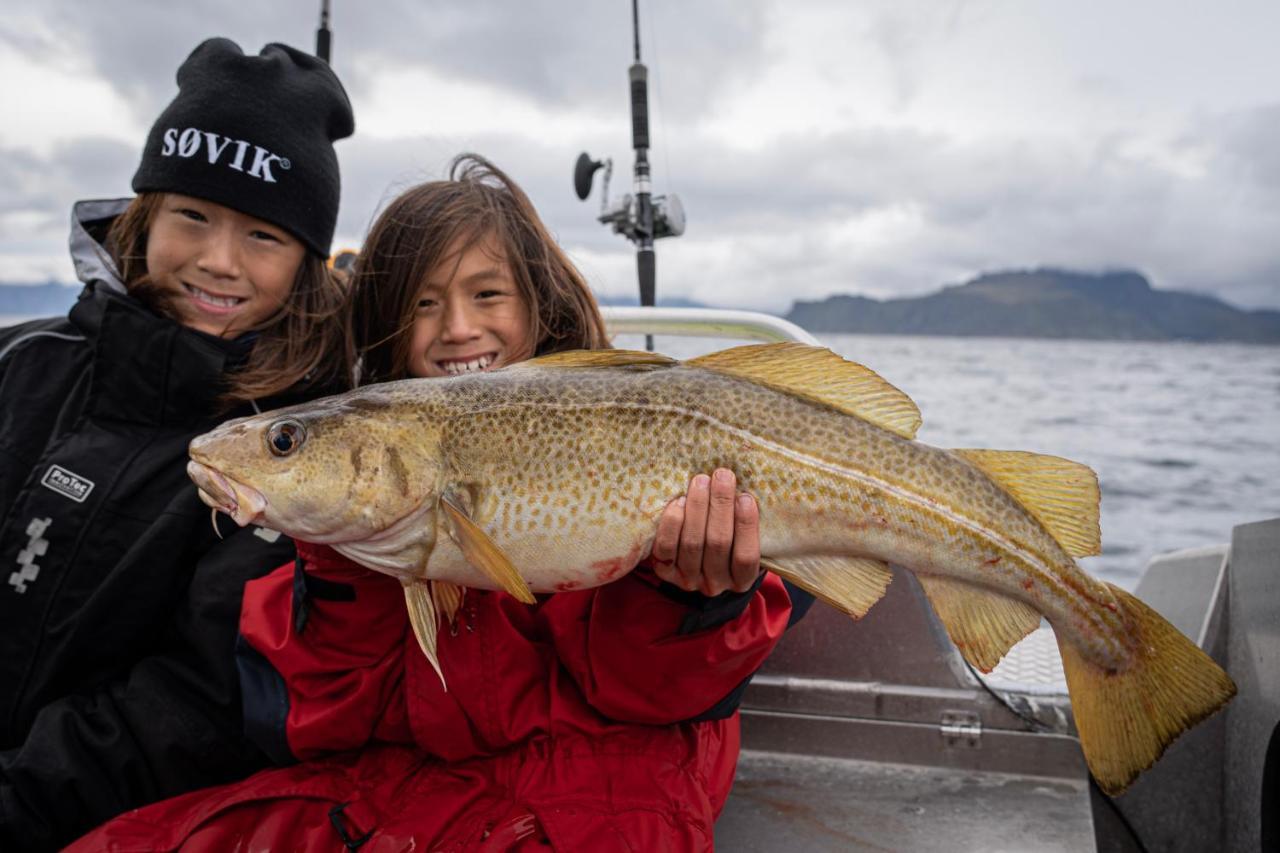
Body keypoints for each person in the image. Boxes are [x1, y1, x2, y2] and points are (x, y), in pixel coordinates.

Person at [69, 154, 802, 850]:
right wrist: (338, 562)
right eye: (422, 304)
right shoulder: (353, 529)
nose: (457, 328)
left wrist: (690, 597)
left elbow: (651, 692)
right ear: (387, 325)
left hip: (607, 793)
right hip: (418, 792)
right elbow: (330, 718)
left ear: (539, 303)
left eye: (488, 294)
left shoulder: (603, 437)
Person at [0, 37, 355, 849]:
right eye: (192, 215)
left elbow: (192, 703)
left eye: (263, 235)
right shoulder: (23, 363)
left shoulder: (293, 450)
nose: (219, 261)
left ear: (306, 262)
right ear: (143, 214)